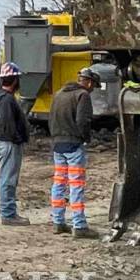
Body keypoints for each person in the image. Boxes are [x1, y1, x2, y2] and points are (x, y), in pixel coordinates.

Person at [49, 66, 99, 238]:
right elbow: (83, 120)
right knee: (76, 185)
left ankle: (58, 222)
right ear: (90, 83)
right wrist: (85, 138)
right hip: (73, 145)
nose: (92, 90)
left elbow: (51, 118)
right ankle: (79, 226)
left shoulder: (59, 94)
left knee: (59, 183)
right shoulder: (82, 95)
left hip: (57, 144)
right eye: (94, 87)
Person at [0, 62, 30, 226]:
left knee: (6, 178)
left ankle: (8, 212)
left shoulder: (0, 98)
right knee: (8, 179)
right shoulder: (7, 100)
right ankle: (8, 214)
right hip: (9, 144)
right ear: (14, 80)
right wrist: (17, 138)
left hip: (5, 142)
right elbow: (8, 125)